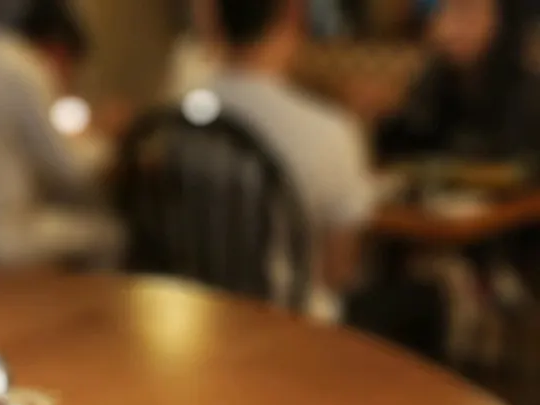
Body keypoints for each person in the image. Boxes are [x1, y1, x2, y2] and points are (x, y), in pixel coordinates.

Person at [194, 0, 376, 319]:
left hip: (195, 314)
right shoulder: (329, 131)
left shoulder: (180, 118)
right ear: (293, 16)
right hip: (290, 325)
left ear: (215, 22)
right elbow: (339, 271)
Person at [0, 0, 123, 267]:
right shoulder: (26, 68)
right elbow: (72, 170)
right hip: (6, 235)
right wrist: (106, 137)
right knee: (110, 234)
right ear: (59, 51)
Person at [378, 0, 540, 162]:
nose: (445, 26)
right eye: (439, 10)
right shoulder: (431, 85)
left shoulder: (530, 99)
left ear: (504, 19)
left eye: (464, 11)